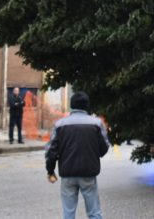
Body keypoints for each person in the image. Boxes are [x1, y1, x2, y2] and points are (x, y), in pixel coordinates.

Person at [45, 91, 110, 219]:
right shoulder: (96, 123)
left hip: (67, 173)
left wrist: (50, 171)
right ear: (87, 106)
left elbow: (51, 151)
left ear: (71, 106)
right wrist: (94, 155)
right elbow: (105, 146)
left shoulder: (60, 125)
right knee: (94, 212)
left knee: (68, 214)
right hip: (88, 173)